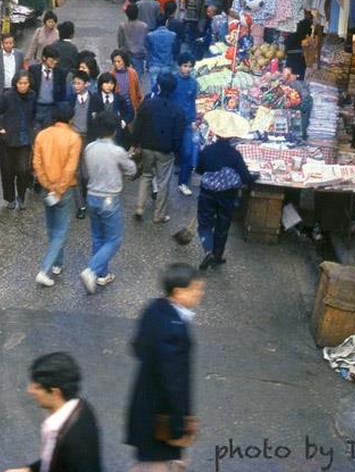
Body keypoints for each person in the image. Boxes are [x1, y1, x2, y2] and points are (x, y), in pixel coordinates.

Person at [125, 263, 204, 470]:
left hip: (144, 403)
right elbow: (174, 383)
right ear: (178, 292)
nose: (200, 293)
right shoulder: (174, 329)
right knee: (155, 463)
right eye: (195, 289)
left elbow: (137, 346)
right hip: (161, 414)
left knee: (145, 459)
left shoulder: (154, 308)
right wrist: (178, 427)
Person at [5, 352, 103, 472]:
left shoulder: (70, 439)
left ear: (55, 392)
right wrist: (30, 470)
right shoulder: (83, 409)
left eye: (38, 387)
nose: (29, 390)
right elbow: (56, 460)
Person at [79, 112, 137, 295]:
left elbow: (86, 172)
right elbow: (131, 169)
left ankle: (102, 274)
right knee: (114, 239)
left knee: (98, 236)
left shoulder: (89, 148)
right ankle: (92, 270)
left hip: (92, 195)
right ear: (113, 131)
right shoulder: (117, 151)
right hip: (109, 198)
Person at [194, 119, 257, 270]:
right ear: (231, 136)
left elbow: (199, 170)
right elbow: (244, 175)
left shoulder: (207, 150)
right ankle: (217, 256)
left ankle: (208, 249)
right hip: (228, 196)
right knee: (223, 225)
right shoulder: (234, 154)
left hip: (207, 193)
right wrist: (255, 178)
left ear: (215, 133)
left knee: (204, 222)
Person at [32, 102, 83, 287]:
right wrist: (60, 188)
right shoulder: (74, 138)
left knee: (51, 228)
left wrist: (48, 184)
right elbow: (70, 168)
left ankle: (58, 263)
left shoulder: (42, 135)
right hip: (65, 189)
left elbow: (37, 163)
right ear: (70, 118)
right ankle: (45, 269)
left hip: (47, 187)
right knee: (61, 231)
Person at [131, 73, 185, 224]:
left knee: (146, 176)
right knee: (163, 182)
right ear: (174, 89)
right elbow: (178, 136)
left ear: (159, 86)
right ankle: (159, 215)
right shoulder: (178, 110)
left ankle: (139, 207)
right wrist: (176, 152)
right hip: (166, 152)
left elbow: (138, 125)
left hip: (147, 147)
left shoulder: (148, 104)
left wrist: (135, 143)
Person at [0, 71, 37, 211]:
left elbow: (35, 113)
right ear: (15, 83)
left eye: (26, 83)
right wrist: (0, 128)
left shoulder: (32, 96)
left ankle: (22, 196)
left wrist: (33, 129)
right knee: (7, 171)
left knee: (24, 170)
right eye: (20, 83)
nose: (23, 86)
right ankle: (10, 198)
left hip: (24, 139)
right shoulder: (7, 97)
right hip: (8, 139)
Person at [168, 55, 199, 196]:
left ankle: (183, 182)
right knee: (165, 154)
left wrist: (194, 120)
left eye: (190, 66)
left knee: (187, 153)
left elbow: (192, 103)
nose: (188, 69)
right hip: (171, 123)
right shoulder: (172, 80)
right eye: (185, 65)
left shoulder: (193, 83)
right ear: (179, 66)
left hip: (186, 123)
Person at [29, 45, 71, 129]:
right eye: (52, 59)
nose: (55, 62)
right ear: (44, 58)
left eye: (57, 60)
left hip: (52, 108)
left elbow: (63, 93)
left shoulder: (60, 73)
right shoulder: (33, 70)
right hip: (36, 107)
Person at [0, 32, 25, 107]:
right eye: (6, 43)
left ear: (13, 43)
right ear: (2, 43)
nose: (8, 45)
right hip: (1, 90)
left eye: (10, 43)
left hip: (15, 89)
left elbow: (22, 71)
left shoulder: (19, 54)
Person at [109, 51, 144, 115]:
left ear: (124, 61)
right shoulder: (111, 75)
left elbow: (138, 91)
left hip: (130, 103)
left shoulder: (132, 73)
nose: (116, 64)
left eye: (119, 61)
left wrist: (140, 105)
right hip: (117, 105)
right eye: (114, 62)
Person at [117, 5, 150, 74]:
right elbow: (146, 42)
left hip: (126, 54)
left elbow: (120, 42)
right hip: (139, 54)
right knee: (138, 76)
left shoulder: (122, 26)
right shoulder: (144, 26)